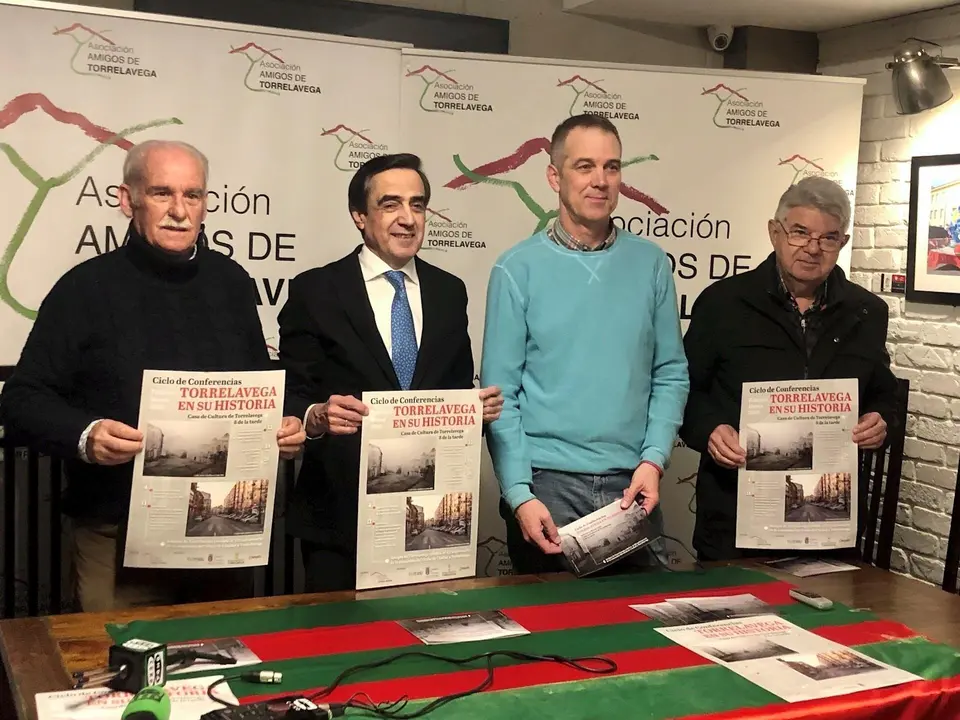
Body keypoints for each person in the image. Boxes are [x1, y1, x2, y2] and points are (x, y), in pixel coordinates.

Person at [0, 139, 306, 611]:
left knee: (219, 652)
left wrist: (283, 423)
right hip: (117, 533)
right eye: (162, 193)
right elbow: (21, 400)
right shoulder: (84, 288)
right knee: (119, 656)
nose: (179, 211)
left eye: (193, 195)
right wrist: (86, 434)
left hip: (220, 531)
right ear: (128, 200)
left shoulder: (231, 283)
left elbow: (256, 381)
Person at [277, 153, 503, 592]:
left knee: (429, 632)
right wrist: (316, 415)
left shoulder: (449, 291)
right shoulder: (316, 290)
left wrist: (475, 411)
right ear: (360, 216)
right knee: (339, 632)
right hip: (339, 517)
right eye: (390, 204)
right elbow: (291, 393)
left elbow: (454, 391)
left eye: (417, 205)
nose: (407, 218)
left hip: (431, 517)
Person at [480, 114, 690, 575]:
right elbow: (500, 395)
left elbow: (670, 373)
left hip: (633, 485)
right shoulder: (516, 269)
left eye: (611, 167)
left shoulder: (651, 263)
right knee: (553, 621)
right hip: (546, 487)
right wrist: (519, 494)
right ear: (554, 177)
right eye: (584, 166)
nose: (600, 180)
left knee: (643, 618)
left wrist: (654, 461)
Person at [679, 175, 899, 562]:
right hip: (734, 519)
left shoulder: (867, 312)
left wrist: (882, 421)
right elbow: (685, 390)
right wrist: (710, 429)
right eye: (800, 232)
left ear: (843, 243)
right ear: (774, 232)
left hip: (831, 533)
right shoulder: (723, 303)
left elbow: (884, 393)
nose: (812, 248)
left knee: (833, 606)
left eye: (828, 238)